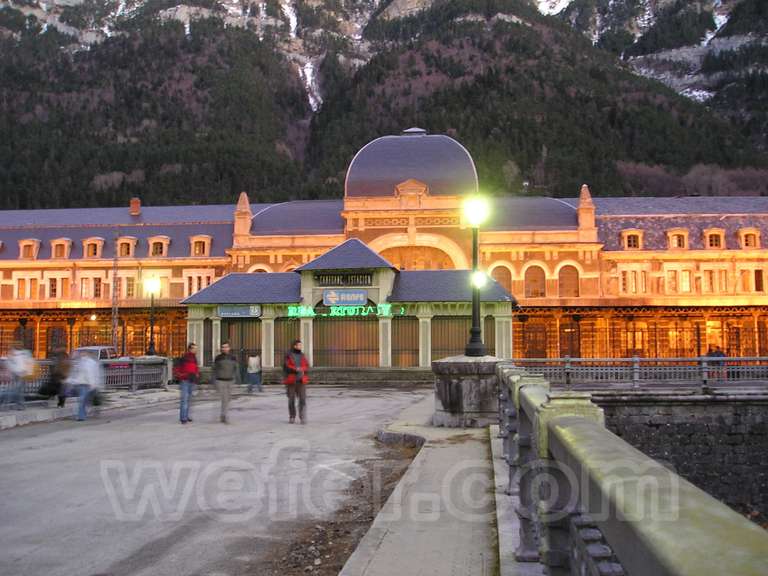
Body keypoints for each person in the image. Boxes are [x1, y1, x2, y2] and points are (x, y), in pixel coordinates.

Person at [69, 352, 104, 421]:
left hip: (84, 384)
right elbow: (94, 374)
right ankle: (82, 415)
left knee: (82, 400)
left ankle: (81, 415)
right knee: (83, 400)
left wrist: (71, 381)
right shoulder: (88, 362)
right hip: (83, 383)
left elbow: (88, 373)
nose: (81, 355)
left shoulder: (83, 363)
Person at [283, 339, 309, 424]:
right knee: (291, 400)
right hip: (291, 381)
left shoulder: (302, 355)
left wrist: (302, 369)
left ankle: (302, 417)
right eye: (299, 345)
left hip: (301, 381)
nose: (301, 346)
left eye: (301, 345)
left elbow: (307, 365)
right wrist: (296, 369)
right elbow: (286, 366)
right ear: (295, 346)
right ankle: (292, 416)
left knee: (302, 399)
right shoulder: (288, 355)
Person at [213, 341, 239, 424]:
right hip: (220, 380)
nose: (224, 348)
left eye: (226, 347)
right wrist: (214, 380)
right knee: (224, 399)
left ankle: (223, 415)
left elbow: (236, 368)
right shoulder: (218, 358)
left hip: (230, 381)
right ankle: (224, 416)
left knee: (227, 399)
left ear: (229, 348)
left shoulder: (233, 357)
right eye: (223, 347)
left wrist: (237, 378)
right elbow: (214, 369)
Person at [4, 341, 34, 411]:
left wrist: (29, 373)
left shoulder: (26, 353)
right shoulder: (12, 352)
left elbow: (30, 363)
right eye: (16, 344)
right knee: (17, 390)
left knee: (17, 390)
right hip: (14, 374)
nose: (18, 346)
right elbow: (8, 363)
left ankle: (9, 405)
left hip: (23, 374)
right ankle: (19, 405)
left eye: (19, 344)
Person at [175, 343, 199, 424]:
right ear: (190, 349)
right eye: (194, 348)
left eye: (196, 348)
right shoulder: (184, 357)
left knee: (188, 400)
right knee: (184, 400)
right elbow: (177, 368)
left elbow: (195, 368)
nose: (196, 350)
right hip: (185, 380)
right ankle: (183, 418)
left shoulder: (194, 358)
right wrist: (182, 376)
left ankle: (186, 415)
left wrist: (196, 375)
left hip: (192, 381)